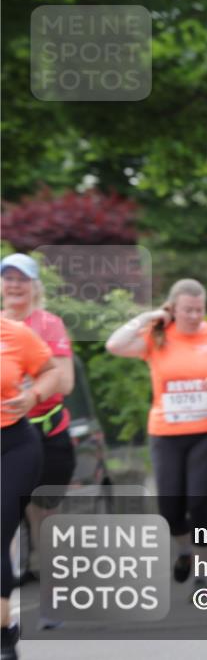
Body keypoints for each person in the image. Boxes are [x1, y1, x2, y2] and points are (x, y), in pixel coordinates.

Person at [106, 279, 207, 597]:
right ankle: (184, 550)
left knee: (198, 504)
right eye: (188, 310)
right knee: (170, 510)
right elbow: (114, 345)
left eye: (200, 309)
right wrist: (147, 318)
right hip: (167, 433)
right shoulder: (157, 336)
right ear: (173, 308)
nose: (195, 316)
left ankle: (202, 574)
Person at [1, 254, 75, 600]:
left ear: (34, 286)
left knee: (43, 509)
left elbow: (65, 382)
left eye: (22, 279)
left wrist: (27, 394)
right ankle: (13, 573)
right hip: (9, 432)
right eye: (8, 278)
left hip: (44, 430)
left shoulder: (47, 325)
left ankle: (50, 572)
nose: (14, 285)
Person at [1, 317, 60, 660]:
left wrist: (32, 394)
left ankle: (3, 636)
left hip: (13, 444)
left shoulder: (14, 333)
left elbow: (51, 371)